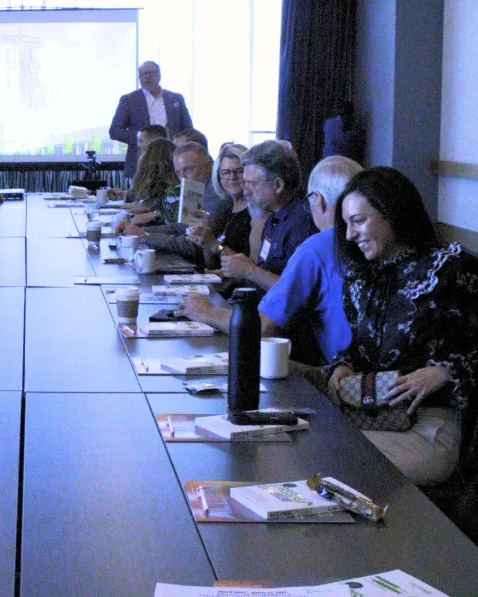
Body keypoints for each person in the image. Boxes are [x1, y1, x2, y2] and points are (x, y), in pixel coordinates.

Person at [324, 167, 478, 487]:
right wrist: (343, 365)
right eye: (347, 224)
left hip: (430, 429)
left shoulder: (451, 268)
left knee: (333, 460)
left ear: (392, 213)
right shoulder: (361, 277)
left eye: (359, 220)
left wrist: (446, 371)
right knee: (313, 446)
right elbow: (359, 347)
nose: (350, 235)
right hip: (376, 416)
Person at [181, 156, 363, 364]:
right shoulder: (371, 241)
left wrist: (206, 312)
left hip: (335, 371)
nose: (246, 189)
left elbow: (263, 327)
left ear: (318, 200)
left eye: (252, 183)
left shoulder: (316, 246)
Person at [219, 140, 318, 292]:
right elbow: (265, 272)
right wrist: (233, 273)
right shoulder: (273, 218)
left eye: (252, 183)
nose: (246, 191)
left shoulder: (302, 225)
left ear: (278, 185)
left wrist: (249, 271)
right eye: (245, 183)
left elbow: (297, 291)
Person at [109, 61, 193, 178]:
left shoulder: (176, 98)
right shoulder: (129, 100)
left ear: (159, 76)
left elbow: (189, 129)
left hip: (172, 161)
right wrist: (141, 137)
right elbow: (114, 130)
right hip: (142, 163)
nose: (147, 77)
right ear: (139, 78)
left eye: (151, 73)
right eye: (143, 74)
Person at [106, 125, 169, 201]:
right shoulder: (146, 163)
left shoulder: (164, 166)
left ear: (153, 142)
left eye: (140, 141)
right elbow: (143, 196)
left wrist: (141, 208)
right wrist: (123, 194)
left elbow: (156, 201)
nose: (138, 145)